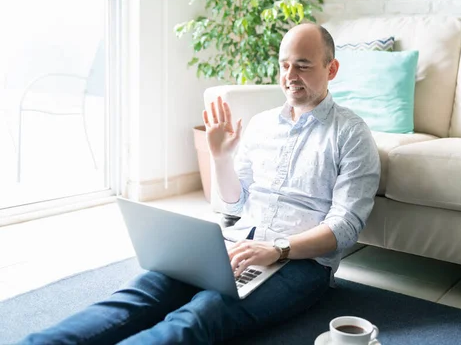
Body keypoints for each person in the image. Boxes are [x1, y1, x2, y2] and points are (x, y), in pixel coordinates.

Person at [19, 23, 380, 345]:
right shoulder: (261, 124)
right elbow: (234, 206)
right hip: (236, 245)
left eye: (303, 64)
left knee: (203, 313)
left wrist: (278, 249)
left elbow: (345, 227)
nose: (290, 75)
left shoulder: (350, 134)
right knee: (141, 293)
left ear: (331, 69)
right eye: (285, 64)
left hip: (301, 263)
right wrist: (220, 157)